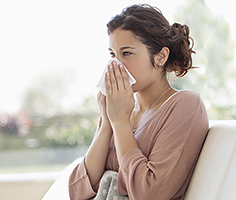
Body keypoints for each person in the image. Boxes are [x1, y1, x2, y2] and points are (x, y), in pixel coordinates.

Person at [69, 4, 208, 200]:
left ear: (161, 56)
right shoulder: (119, 110)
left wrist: (120, 123)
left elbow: (149, 194)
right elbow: (77, 191)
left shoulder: (185, 105)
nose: (114, 65)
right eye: (112, 55)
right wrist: (108, 123)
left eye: (126, 53)